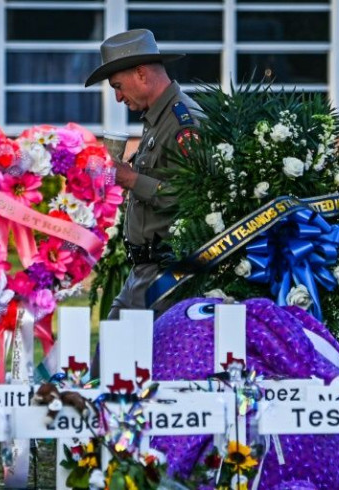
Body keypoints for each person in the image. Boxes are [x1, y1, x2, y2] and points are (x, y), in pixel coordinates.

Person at [84, 29, 203, 320]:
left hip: (171, 276)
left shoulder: (183, 121)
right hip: (147, 272)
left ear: (141, 73)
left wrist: (131, 179)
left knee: (117, 360)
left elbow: (198, 199)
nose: (117, 97)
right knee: (111, 360)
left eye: (118, 86)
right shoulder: (158, 117)